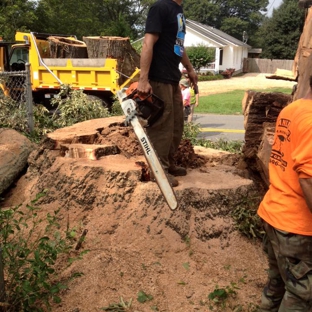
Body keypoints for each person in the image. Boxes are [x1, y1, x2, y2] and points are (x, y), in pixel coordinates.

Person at [257, 75, 312, 311]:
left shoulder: (293, 110)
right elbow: (308, 180)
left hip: (275, 213)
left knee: (277, 285)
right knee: (302, 296)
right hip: (297, 227)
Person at [137, 0, 198, 187]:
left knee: (176, 124)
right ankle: (158, 170)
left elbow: (179, 45)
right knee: (162, 125)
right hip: (158, 77)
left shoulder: (178, 10)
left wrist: (190, 68)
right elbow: (148, 43)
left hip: (172, 78)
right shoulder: (160, 7)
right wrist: (143, 79)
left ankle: (168, 162)